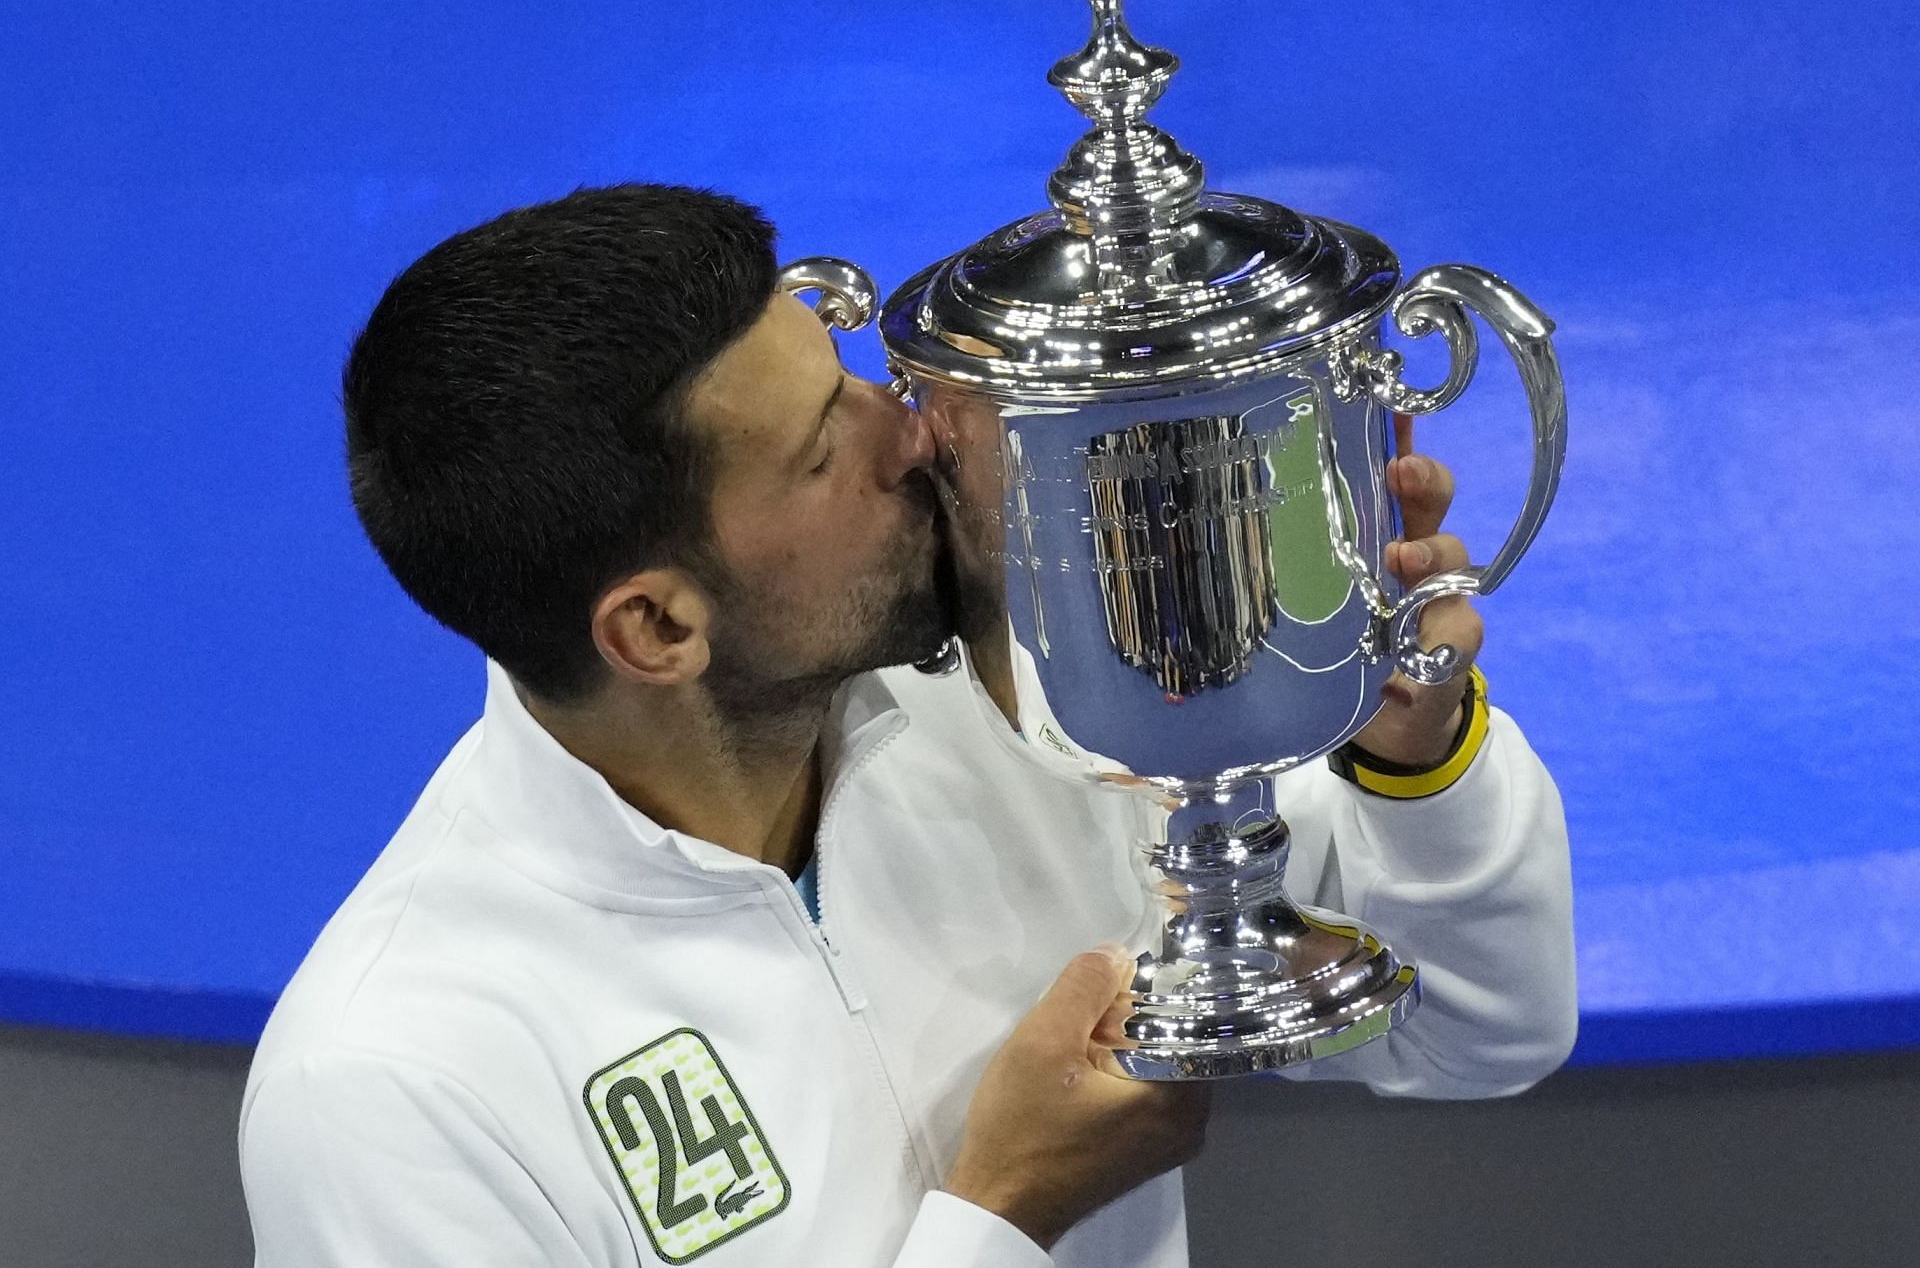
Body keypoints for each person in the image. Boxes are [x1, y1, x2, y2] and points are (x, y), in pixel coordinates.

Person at [239, 184, 1576, 1267]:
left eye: (850, 372)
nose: (919, 436)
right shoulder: (393, 1084)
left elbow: (1478, 1029)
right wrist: (1003, 1216)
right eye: (824, 450)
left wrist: (1416, 755)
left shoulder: (1014, 712)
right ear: (657, 630)